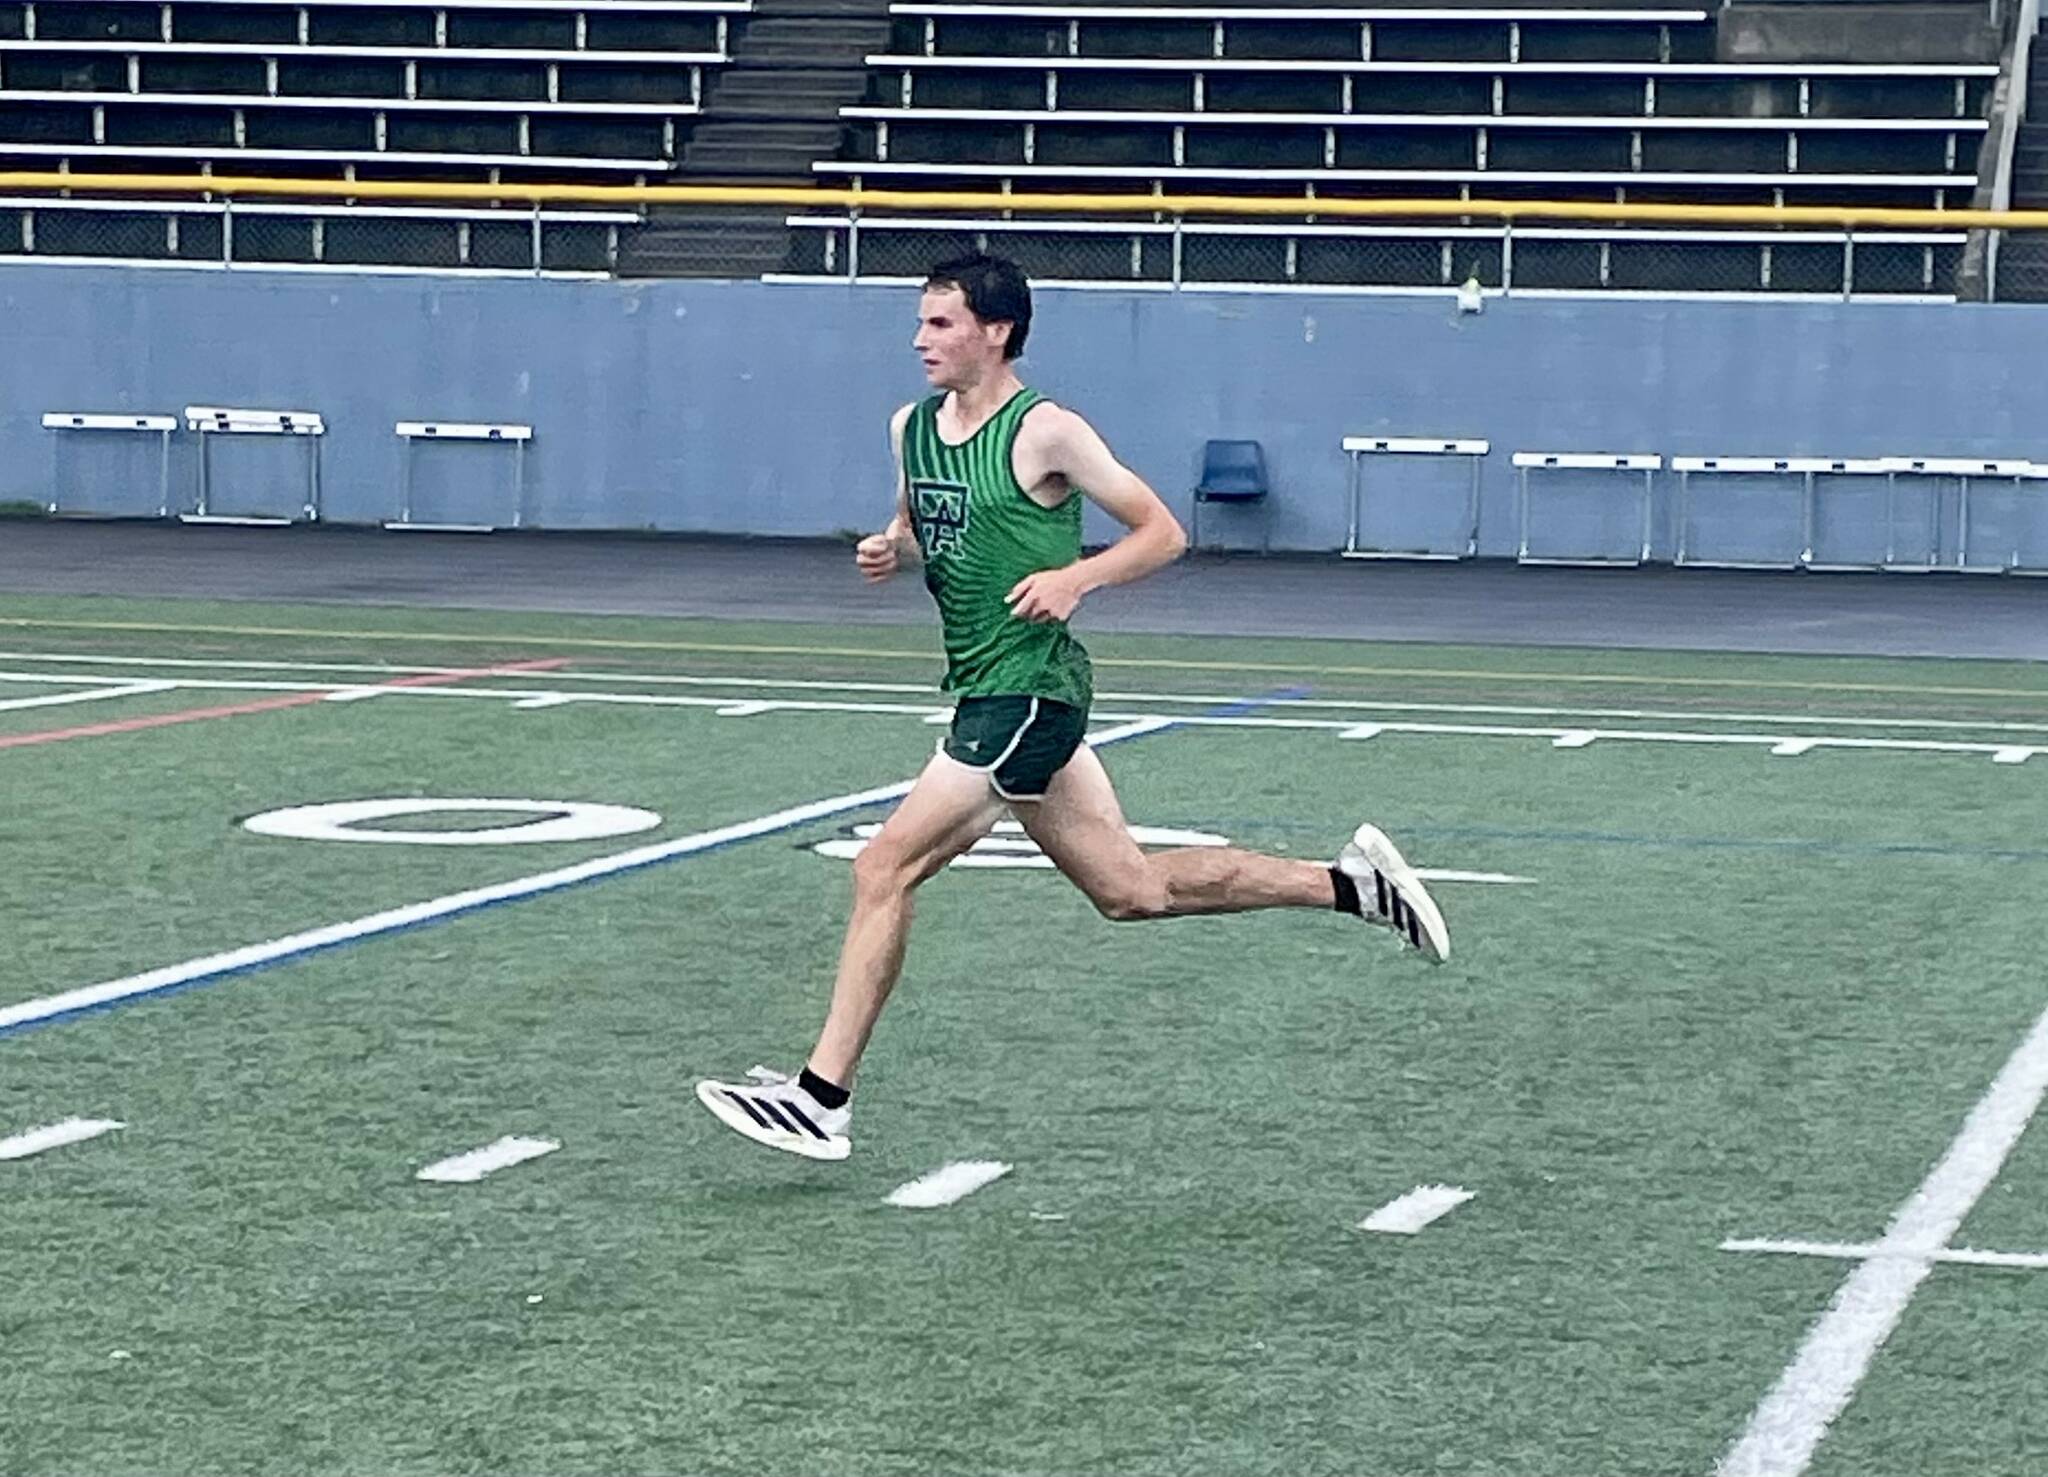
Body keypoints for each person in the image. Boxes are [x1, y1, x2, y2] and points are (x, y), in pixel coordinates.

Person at [696, 254, 1448, 1161]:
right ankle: (1352, 886)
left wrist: (1075, 578)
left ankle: (822, 1097)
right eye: (921, 322)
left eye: (941, 323)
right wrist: (891, 547)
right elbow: (919, 521)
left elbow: (1161, 530)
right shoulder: (912, 428)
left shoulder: (1047, 430)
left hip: (1029, 689)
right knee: (1132, 891)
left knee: (881, 869)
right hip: (989, 685)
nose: (919, 340)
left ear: (996, 330)